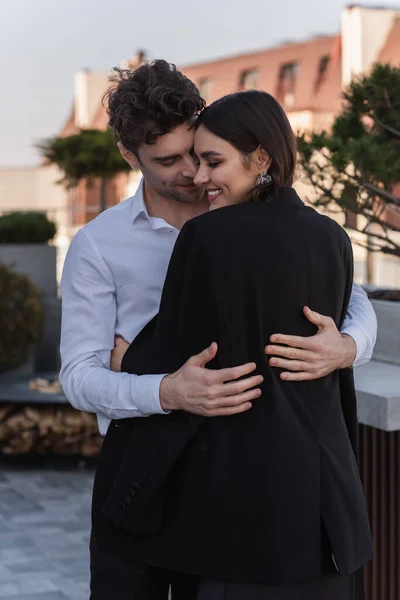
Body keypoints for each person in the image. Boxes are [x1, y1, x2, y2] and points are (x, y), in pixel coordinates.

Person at [59, 61, 376, 599]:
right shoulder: (99, 244)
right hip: (144, 470)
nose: (191, 173)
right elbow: (78, 377)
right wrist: (166, 389)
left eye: (201, 153)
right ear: (128, 157)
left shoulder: (262, 221)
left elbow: (353, 298)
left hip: (229, 482)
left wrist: (348, 347)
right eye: (169, 160)